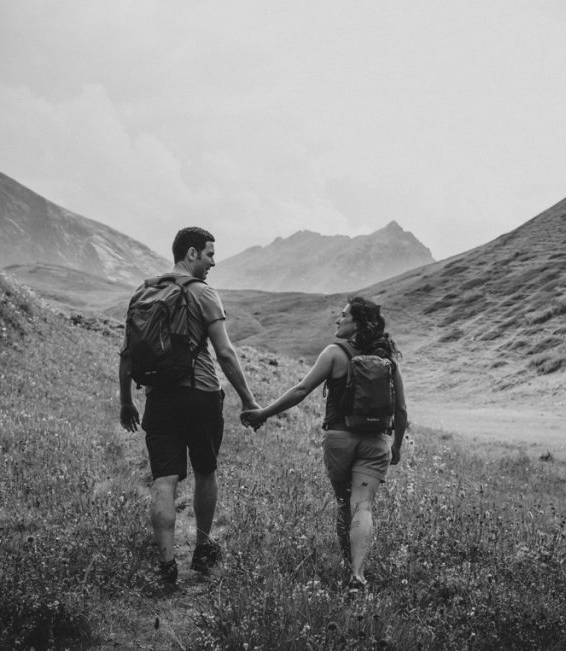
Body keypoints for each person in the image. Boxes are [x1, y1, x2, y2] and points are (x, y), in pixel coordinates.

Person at [119, 226, 260, 590]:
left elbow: (128, 353)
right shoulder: (203, 293)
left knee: (163, 480)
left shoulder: (144, 291)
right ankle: (202, 549)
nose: (213, 262)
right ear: (192, 253)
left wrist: (126, 400)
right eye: (210, 254)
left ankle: (167, 565)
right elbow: (224, 352)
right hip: (200, 394)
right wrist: (248, 400)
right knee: (205, 471)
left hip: (159, 397)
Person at [241, 296, 408, 594]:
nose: (338, 319)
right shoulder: (387, 359)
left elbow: (302, 390)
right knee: (363, 506)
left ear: (357, 323)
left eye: (343, 315)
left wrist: (264, 413)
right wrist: (395, 448)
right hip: (375, 443)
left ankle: (348, 563)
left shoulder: (334, 353)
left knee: (345, 504)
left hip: (339, 440)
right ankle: (357, 575)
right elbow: (402, 410)